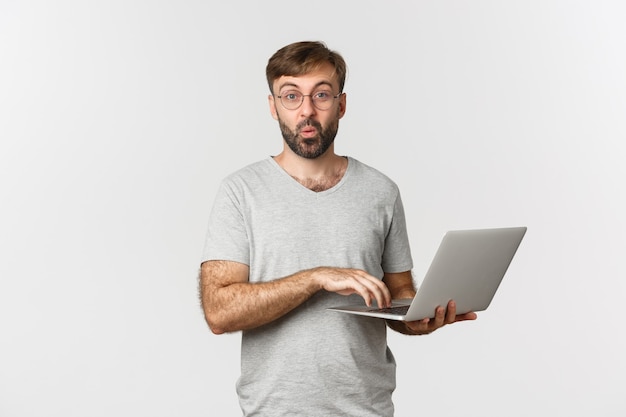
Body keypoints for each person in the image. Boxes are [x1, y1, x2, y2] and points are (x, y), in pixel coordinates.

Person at [199, 40, 477, 417]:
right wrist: (315, 278)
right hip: (275, 410)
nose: (307, 111)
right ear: (273, 106)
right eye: (291, 96)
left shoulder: (381, 191)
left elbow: (398, 296)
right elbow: (219, 312)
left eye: (322, 95)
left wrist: (422, 318)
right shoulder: (240, 191)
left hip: (367, 408)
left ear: (341, 105)